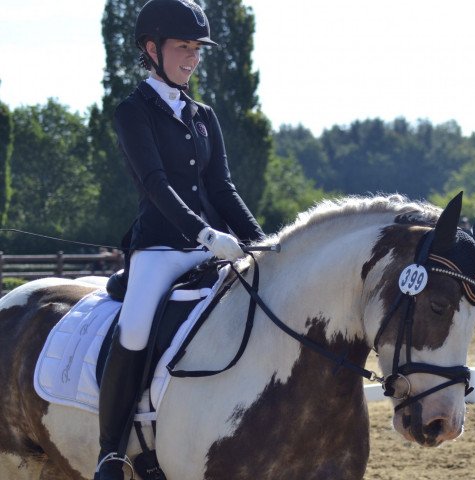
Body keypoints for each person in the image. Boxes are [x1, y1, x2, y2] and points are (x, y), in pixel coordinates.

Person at [94, 1, 265, 478]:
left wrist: (263, 240)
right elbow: (155, 183)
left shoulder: (203, 114)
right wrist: (205, 233)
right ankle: (111, 449)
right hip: (160, 249)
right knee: (134, 328)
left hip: (214, 244)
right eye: (182, 48)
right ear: (152, 49)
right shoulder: (133, 111)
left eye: (196, 49)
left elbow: (223, 189)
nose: (191, 58)